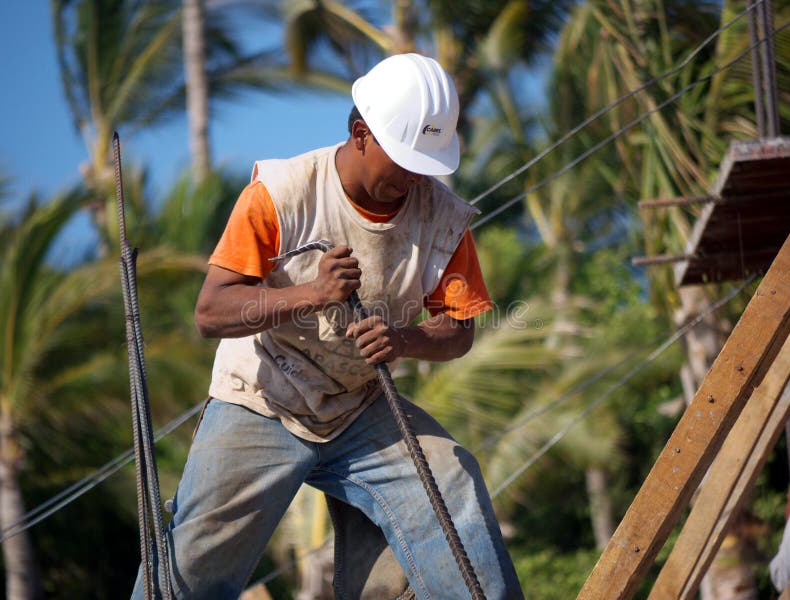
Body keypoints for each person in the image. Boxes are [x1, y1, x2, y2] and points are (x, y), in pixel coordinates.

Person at [131, 53, 523, 599]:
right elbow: (212, 312)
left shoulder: (444, 219)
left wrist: (403, 339)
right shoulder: (281, 193)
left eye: (425, 164)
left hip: (359, 405)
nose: (414, 177)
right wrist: (311, 293)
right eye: (404, 159)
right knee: (191, 573)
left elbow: (458, 332)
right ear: (362, 134)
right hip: (263, 395)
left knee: (451, 478)